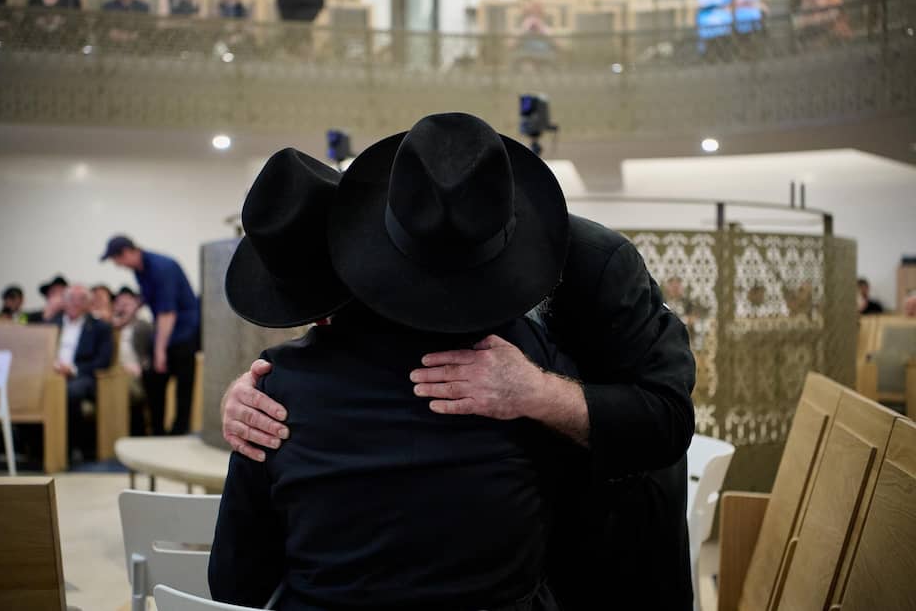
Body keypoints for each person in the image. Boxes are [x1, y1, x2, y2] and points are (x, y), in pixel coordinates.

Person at [221, 117, 696, 608]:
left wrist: (537, 392)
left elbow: (667, 418)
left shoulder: (596, 264)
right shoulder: (409, 243)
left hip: (612, 555)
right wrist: (257, 393)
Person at [101, 235, 200, 435]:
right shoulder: (140, 270)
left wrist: (160, 351)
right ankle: (157, 431)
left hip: (183, 332)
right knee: (153, 381)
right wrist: (126, 318)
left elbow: (167, 313)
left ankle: (179, 432)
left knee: (183, 388)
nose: (117, 265)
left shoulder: (161, 268)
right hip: (166, 331)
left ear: (126, 253)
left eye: (116, 260)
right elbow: (145, 297)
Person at [52, 284, 113, 462]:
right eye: (71, 298)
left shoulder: (100, 327)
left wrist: (72, 369)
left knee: (70, 392)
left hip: (82, 376)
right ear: (64, 301)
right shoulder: (52, 324)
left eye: (81, 299)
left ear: (88, 303)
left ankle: (70, 447)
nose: (76, 303)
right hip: (51, 374)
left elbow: (103, 361)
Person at [112, 286, 154, 436]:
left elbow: (149, 357)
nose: (122, 308)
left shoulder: (143, 326)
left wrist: (140, 368)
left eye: (127, 304)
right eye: (119, 304)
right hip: (114, 373)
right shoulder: (110, 327)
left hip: (136, 374)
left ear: (136, 305)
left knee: (130, 391)